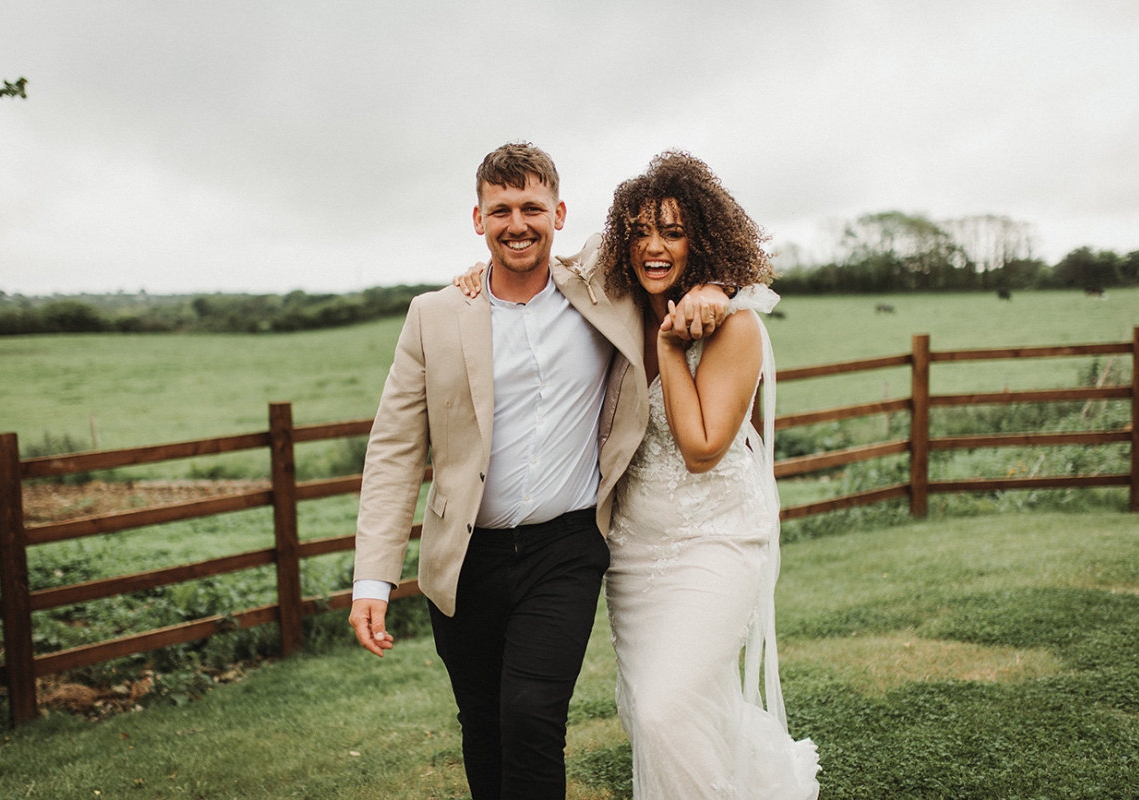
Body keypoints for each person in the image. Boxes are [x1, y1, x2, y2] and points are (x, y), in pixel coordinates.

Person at [347, 142, 732, 800]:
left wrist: (711, 287)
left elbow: (682, 255)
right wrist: (372, 581)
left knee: (531, 717)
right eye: (501, 211)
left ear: (558, 212)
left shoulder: (604, 290)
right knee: (484, 725)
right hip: (464, 555)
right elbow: (394, 450)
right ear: (477, 220)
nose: (517, 223)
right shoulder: (432, 316)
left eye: (531, 207)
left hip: (566, 548)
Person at [597, 151, 820, 799]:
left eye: (671, 230)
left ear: (703, 237)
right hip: (634, 551)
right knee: (658, 715)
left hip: (716, 541)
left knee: (668, 706)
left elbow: (700, 447)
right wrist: (480, 272)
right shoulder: (622, 309)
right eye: (638, 232)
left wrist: (672, 343)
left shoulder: (735, 325)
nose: (653, 246)